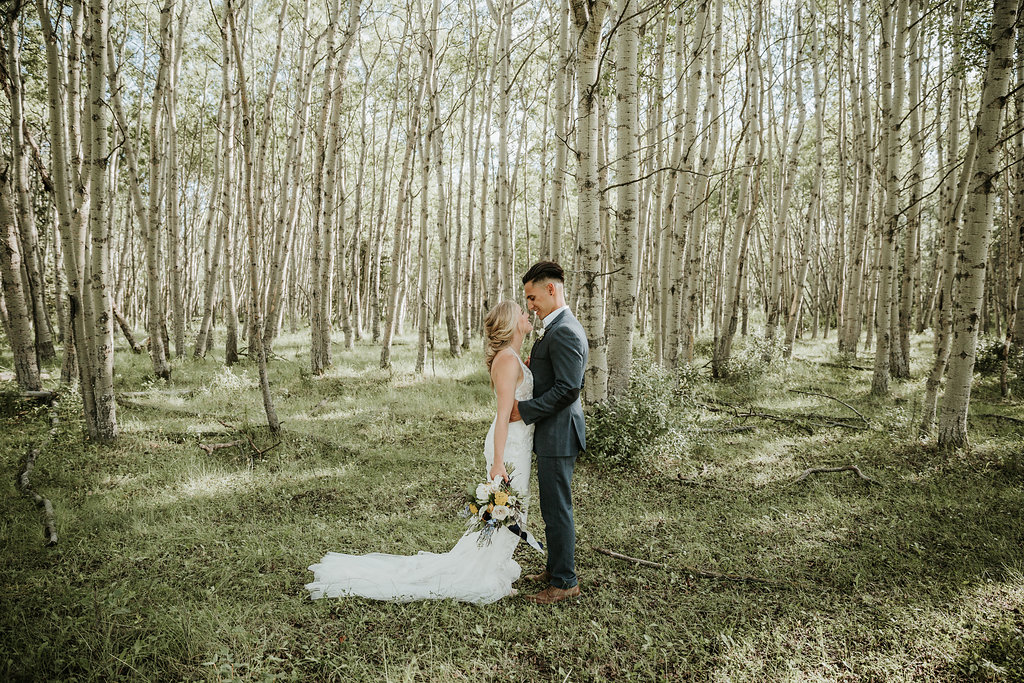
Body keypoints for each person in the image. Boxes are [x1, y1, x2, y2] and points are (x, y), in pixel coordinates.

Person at [304, 301, 535, 604]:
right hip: (509, 446)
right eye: (521, 311)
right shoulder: (506, 360)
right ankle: (482, 574)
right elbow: (503, 415)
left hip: (519, 443)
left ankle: (493, 567)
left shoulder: (513, 357)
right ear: (511, 322)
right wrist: (498, 463)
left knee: (512, 511)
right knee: (507, 510)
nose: (527, 313)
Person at [511, 261, 587, 605]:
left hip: (559, 434)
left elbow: (569, 388)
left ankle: (565, 581)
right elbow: (554, 376)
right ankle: (555, 568)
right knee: (551, 507)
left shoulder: (565, 330)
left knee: (557, 510)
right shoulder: (554, 327)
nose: (530, 305)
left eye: (532, 297)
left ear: (551, 289)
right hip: (553, 432)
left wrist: (524, 410)